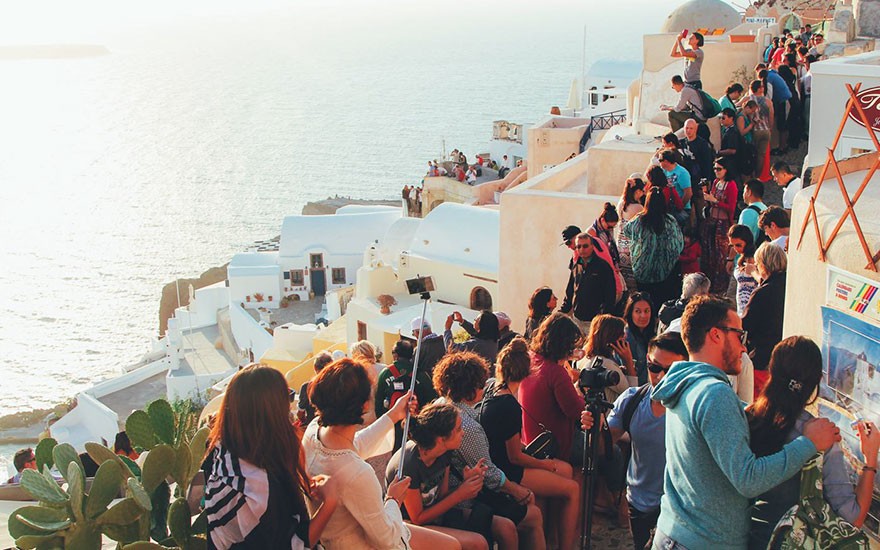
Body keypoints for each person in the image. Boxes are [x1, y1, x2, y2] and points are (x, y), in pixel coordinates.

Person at [650, 295, 841, 550]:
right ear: (716, 335)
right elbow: (749, 479)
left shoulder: (687, 383)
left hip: (676, 533)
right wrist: (809, 443)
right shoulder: (714, 394)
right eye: (739, 335)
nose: (743, 347)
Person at [304, 358, 459, 549]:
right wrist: (393, 499)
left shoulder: (313, 433)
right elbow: (387, 540)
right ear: (365, 405)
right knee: (453, 546)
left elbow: (355, 444)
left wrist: (394, 414)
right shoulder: (357, 473)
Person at [747, 336, 880, 549]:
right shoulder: (821, 437)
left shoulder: (747, 418)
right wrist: (870, 459)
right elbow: (852, 518)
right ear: (817, 381)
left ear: (771, 370)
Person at [204, 364, 337, 549]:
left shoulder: (220, 449)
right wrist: (330, 503)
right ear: (271, 413)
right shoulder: (258, 489)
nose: (289, 405)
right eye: (287, 397)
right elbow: (295, 545)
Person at [432, 352, 545, 550]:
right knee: (532, 514)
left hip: (449, 491)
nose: (484, 387)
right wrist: (517, 490)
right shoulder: (466, 426)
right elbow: (489, 473)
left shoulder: (441, 404)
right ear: (469, 388)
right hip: (463, 499)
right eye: (480, 384)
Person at [478, 338, 581, 550]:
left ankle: (551, 536)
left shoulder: (494, 392)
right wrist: (545, 464)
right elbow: (515, 457)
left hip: (499, 461)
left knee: (565, 470)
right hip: (508, 469)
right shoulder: (509, 406)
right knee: (572, 489)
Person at [606, 333, 688, 550]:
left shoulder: (693, 408)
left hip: (680, 509)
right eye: (654, 368)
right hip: (639, 504)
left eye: (671, 370)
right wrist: (593, 425)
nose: (661, 376)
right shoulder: (632, 400)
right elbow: (603, 445)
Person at [386, 402, 497, 550]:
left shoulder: (445, 452)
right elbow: (417, 518)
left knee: (504, 526)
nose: (463, 433)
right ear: (441, 439)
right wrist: (460, 494)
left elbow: (442, 497)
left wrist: (466, 484)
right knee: (478, 543)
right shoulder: (409, 465)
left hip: (435, 517)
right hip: (408, 526)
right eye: (458, 429)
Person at [519, 312, 589, 460]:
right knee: (613, 452)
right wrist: (581, 392)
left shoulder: (531, 359)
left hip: (532, 439)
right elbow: (576, 411)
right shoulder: (556, 372)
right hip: (556, 445)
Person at [623, 187, 685, 306]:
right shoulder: (670, 221)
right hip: (665, 272)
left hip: (643, 271)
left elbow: (627, 231)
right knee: (661, 304)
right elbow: (679, 244)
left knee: (645, 302)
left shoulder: (639, 220)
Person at [742, 242, 788, 394]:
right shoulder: (789, 284)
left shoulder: (762, 293)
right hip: (785, 356)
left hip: (763, 357)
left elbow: (746, 325)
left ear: (763, 265)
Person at [375, 340, 438, 449]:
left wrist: (383, 424)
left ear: (395, 355)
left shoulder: (386, 373)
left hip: (394, 424)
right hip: (417, 424)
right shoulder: (421, 374)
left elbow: (378, 402)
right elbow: (432, 400)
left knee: (397, 453)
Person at [559, 233, 616, 333]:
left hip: (594, 322)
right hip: (577, 320)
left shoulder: (603, 267)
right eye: (578, 246)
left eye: (585, 246)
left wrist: (602, 318)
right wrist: (561, 313)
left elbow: (610, 296)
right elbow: (570, 291)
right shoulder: (576, 266)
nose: (582, 249)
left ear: (592, 246)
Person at [701, 157, 739, 293]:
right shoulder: (716, 182)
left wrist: (716, 201)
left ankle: (720, 287)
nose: (716, 171)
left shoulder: (731, 185)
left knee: (720, 255)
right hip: (711, 221)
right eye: (715, 169)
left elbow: (731, 208)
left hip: (722, 224)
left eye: (719, 169)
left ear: (726, 169)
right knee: (709, 253)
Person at [579, 314, 633, 401]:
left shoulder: (584, 356)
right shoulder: (606, 364)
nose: (624, 337)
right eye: (621, 334)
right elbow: (631, 394)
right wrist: (628, 361)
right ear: (612, 337)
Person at [617, 174, 646, 290]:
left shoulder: (621, 204)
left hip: (621, 245)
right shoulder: (638, 207)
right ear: (637, 191)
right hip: (632, 247)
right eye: (642, 191)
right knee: (633, 282)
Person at [623, 292, 657, 385]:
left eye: (647, 311)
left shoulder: (654, 334)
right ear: (630, 313)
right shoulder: (626, 337)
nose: (643, 316)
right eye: (638, 311)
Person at [727, 224, 759, 317]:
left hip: (752, 308)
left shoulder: (756, 259)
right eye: (732, 245)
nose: (735, 249)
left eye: (738, 245)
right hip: (741, 308)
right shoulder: (741, 259)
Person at [745, 80, 773, 181]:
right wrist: (770, 128)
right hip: (766, 130)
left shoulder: (748, 99)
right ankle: (758, 176)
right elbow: (771, 116)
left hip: (755, 130)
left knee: (753, 154)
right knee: (761, 155)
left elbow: (737, 106)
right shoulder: (767, 101)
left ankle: (752, 176)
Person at [297, 351, 335, 427]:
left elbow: (300, 413)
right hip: (333, 427)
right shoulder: (338, 386)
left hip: (313, 426)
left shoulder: (307, 387)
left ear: (315, 367)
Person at [658, 148, 693, 215]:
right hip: (669, 207)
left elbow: (688, 193)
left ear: (666, 161)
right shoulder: (664, 171)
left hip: (681, 209)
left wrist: (680, 208)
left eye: (660, 160)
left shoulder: (682, 173)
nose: (659, 163)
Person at [738, 179, 768, 244]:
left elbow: (741, 238)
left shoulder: (747, 212)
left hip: (751, 249)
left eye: (744, 191)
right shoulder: (766, 209)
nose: (743, 195)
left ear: (749, 192)